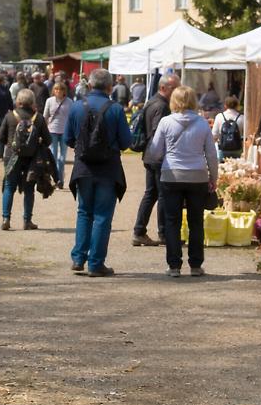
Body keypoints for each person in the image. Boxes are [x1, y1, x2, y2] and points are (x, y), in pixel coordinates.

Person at [64, 68, 133, 277]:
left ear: (90, 85)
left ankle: (78, 258)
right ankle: (96, 263)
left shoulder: (76, 107)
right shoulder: (116, 109)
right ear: (110, 87)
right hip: (108, 169)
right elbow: (126, 142)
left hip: (83, 167)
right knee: (102, 216)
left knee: (84, 212)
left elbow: (68, 139)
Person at [145, 85, 219, 278]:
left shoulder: (166, 122)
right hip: (197, 176)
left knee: (172, 221)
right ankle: (195, 264)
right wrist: (214, 177)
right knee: (196, 222)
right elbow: (211, 154)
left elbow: (155, 151)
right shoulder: (202, 124)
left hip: (172, 175)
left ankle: (174, 265)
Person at [132, 74, 179, 246]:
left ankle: (139, 231)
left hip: (150, 155)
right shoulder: (161, 106)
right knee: (162, 195)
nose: (177, 91)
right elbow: (157, 132)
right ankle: (164, 234)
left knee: (151, 194)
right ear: (163, 88)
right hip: (157, 156)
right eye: (174, 88)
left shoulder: (152, 101)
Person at [0, 89, 51, 231]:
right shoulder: (38, 118)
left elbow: (1, 137)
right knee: (29, 190)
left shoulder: (10, 116)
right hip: (32, 158)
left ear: (18, 101)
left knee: (9, 187)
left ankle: (5, 219)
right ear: (32, 102)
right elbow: (48, 140)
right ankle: (27, 221)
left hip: (12, 156)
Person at [43, 81, 74, 189]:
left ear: (64, 91)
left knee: (62, 158)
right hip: (52, 131)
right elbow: (45, 116)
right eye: (56, 89)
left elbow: (72, 118)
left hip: (64, 131)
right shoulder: (49, 101)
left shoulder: (69, 102)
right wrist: (42, 131)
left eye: (60, 89)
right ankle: (56, 179)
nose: (58, 91)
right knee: (54, 156)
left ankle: (60, 178)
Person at [212, 96, 246, 160]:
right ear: (237, 106)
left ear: (225, 105)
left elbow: (214, 135)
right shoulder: (242, 117)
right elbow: (246, 135)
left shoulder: (219, 116)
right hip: (237, 149)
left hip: (223, 149)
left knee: (222, 168)